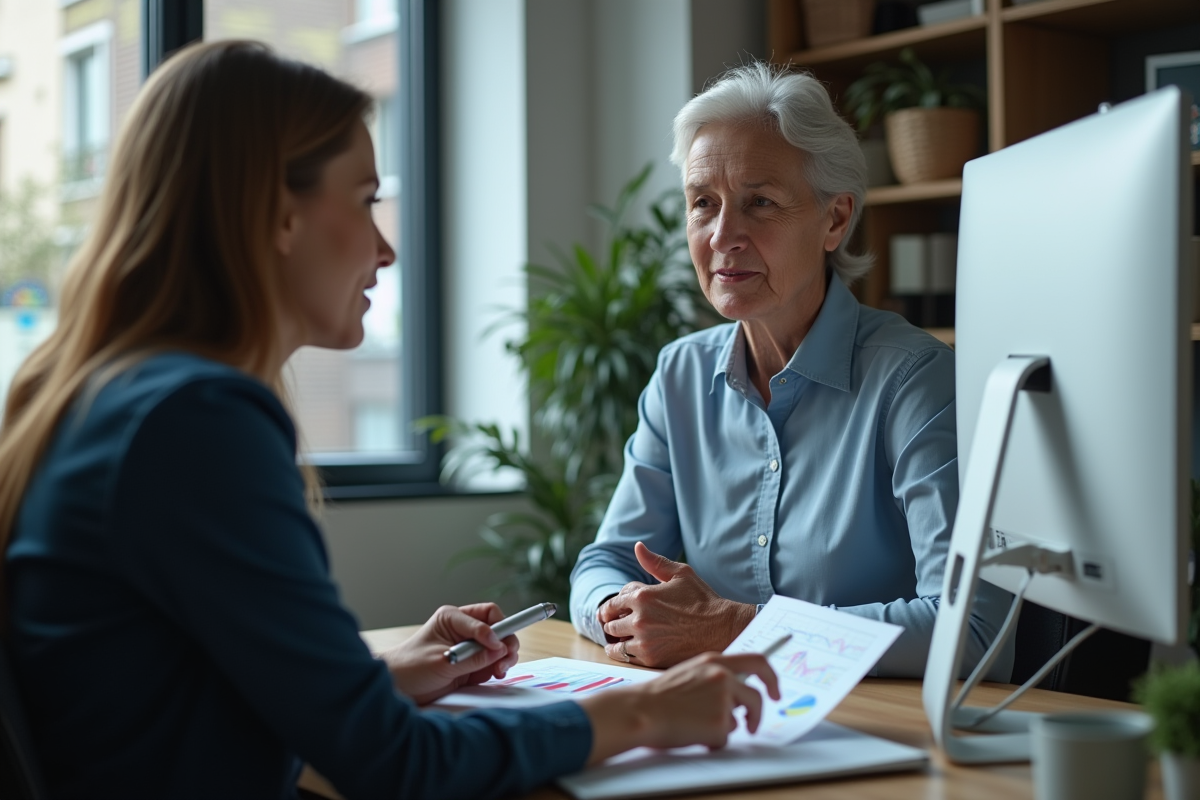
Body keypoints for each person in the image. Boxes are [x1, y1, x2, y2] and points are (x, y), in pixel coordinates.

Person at [0, 41, 780, 800]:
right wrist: (641, 711)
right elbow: (394, 766)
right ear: (278, 215)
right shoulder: (197, 421)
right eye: (366, 200)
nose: (385, 250)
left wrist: (374, 679)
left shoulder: (98, 393)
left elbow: (172, 694)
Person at [569, 62, 1013, 679]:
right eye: (703, 203)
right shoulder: (679, 377)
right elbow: (604, 563)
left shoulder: (917, 381)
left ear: (834, 220)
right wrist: (628, 610)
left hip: (873, 733)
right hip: (722, 721)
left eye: (760, 203)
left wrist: (736, 628)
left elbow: (972, 629)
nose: (724, 235)